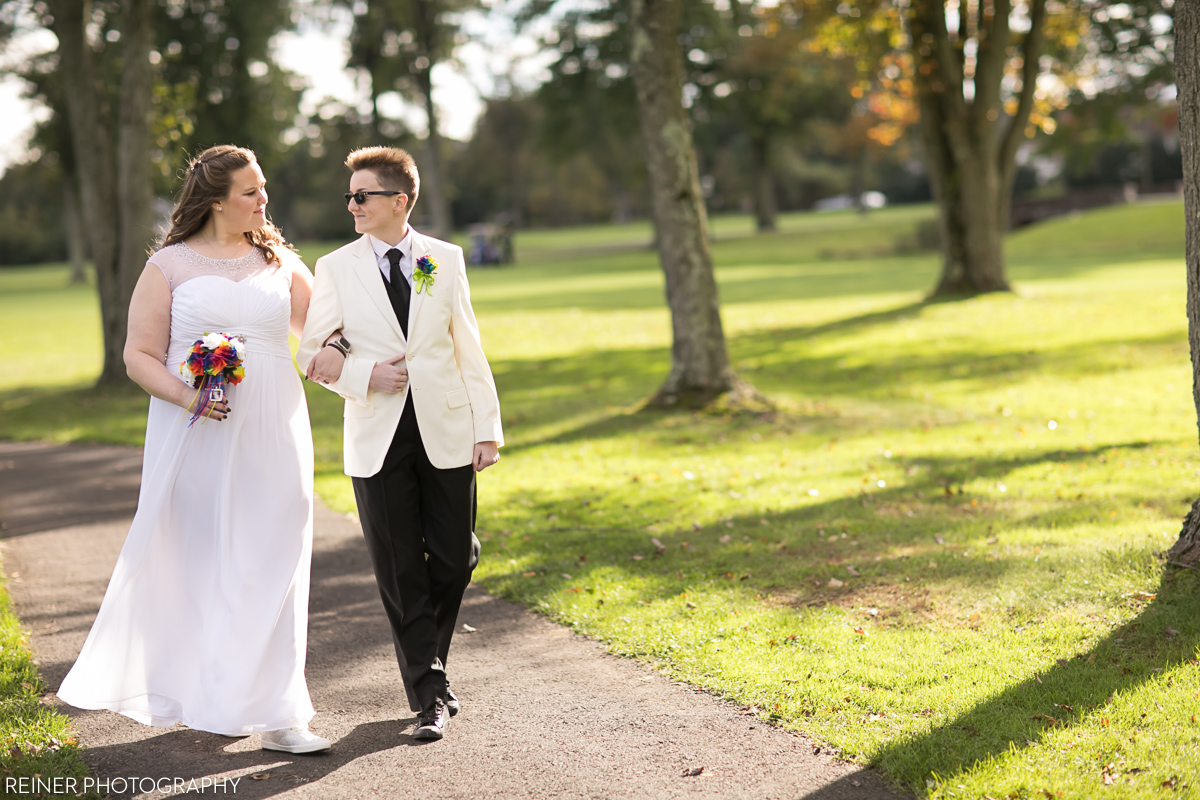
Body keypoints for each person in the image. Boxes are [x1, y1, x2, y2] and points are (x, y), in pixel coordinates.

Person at [56, 145, 331, 755]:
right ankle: (223, 696)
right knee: (210, 559)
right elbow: (138, 356)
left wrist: (348, 355)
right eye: (251, 191)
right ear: (215, 201)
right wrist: (190, 397)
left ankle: (283, 714)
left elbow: (324, 335)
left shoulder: (281, 261)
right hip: (197, 429)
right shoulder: (169, 266)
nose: (264, 199)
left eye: (263, 188)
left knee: (277, 557)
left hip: (276, 429)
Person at [299, 146, 502, 741]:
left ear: (400, 201)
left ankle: (428, 674)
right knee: (398, 568)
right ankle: (430, 692)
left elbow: (467, 344)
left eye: (363, 195)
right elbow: (313, 355)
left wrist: (487, 429)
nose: (353, 205)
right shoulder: (335, 267)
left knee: (454, 555)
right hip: (376, 432)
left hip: (447, 426)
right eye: (350, 196)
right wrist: (366, 376)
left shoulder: (443, 258)